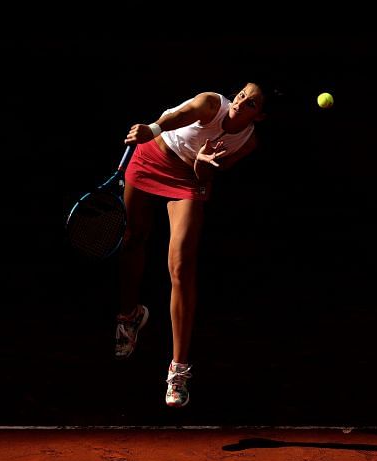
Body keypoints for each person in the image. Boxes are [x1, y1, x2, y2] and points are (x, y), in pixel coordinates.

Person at [115, 82, 272, 408]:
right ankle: (130, 315)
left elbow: (206, 176)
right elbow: (178, 115)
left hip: (186, 179)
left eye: (252, 103)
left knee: (181, 266)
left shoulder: (246, 142)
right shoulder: (210, 103)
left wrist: (201, 162)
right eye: (243, 93)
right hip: (151, 155)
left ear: (260, 116)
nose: (241, 101)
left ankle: (179, 370)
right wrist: (152, 128)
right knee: (133, 240)